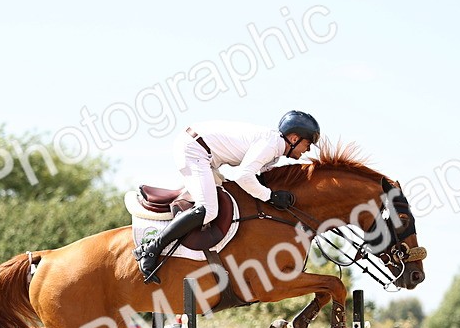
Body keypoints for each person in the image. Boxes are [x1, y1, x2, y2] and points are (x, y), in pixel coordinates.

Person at [134, 110, 321, 283]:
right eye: (308, 143)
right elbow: (243, 176)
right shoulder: (272, 145)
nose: (308, 150)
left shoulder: (275, 150)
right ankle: (150, 250)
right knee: (208, 210)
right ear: (294, 138)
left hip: (203, 152)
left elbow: (254, 177)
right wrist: (270, 196)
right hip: (194, 150)